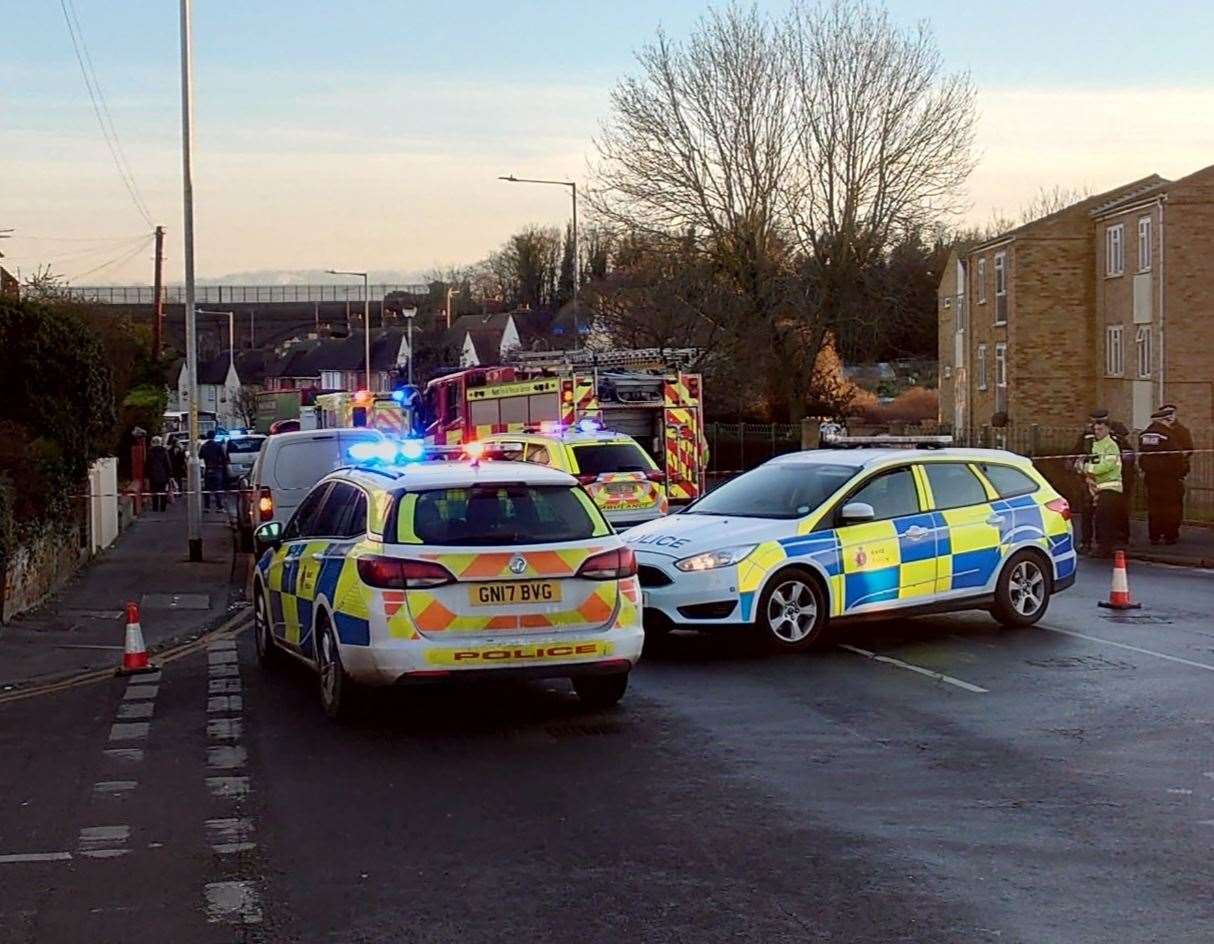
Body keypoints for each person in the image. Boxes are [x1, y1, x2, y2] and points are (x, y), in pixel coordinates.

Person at [1139, 407, 1185, 545]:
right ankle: (1170, 536)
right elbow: (1177, 456)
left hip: (1151, 478)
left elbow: (1143, 457)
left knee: (1154, 507)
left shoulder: (1144, 435)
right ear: (1164, 420)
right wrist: (1181, 472)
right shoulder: (1167, 435)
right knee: (1171, 507)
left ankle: (1154, 535)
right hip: (1169, 478)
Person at [1083, 416, 1124, 558]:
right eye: (1095, 430)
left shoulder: (1111, 445)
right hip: (1096, 488)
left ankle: (1105, 548)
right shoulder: (1095, 445)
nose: (1097, 432)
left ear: (1107, 429)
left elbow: (1106, 466)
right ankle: (1100, 546)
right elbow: (1088, 461)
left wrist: (1088, 468)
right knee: (1097, 519)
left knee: (1104, 519)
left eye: (1100, 429)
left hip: (1111, 488)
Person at [1068, 421, 1097, 554]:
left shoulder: (1087, 438)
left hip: (1092, 481)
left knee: (1089, 513)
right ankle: (1092, 542)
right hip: (1091, 481)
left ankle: (1088, 542)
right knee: (1090, 512)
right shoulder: (1110, 440)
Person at [199, 431, 228, 513]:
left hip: (208, 469)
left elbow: (200, 456)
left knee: (207, 489)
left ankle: (207, 507)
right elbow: (223, 458)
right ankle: (219, 507)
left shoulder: (204, 446)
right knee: (218, 489)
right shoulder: (218, 446)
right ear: (214, 436)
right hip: (217, 469)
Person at [145, 436, 174, 513]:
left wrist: (147, 475)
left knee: (154, 491)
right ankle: (163, 507)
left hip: (153, 475)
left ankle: (155, 507)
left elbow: (147, 464)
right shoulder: (164, 451)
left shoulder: (150, 452)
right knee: (163, 491)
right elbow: (167, 463)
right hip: (163, 475)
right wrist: (170, 474)